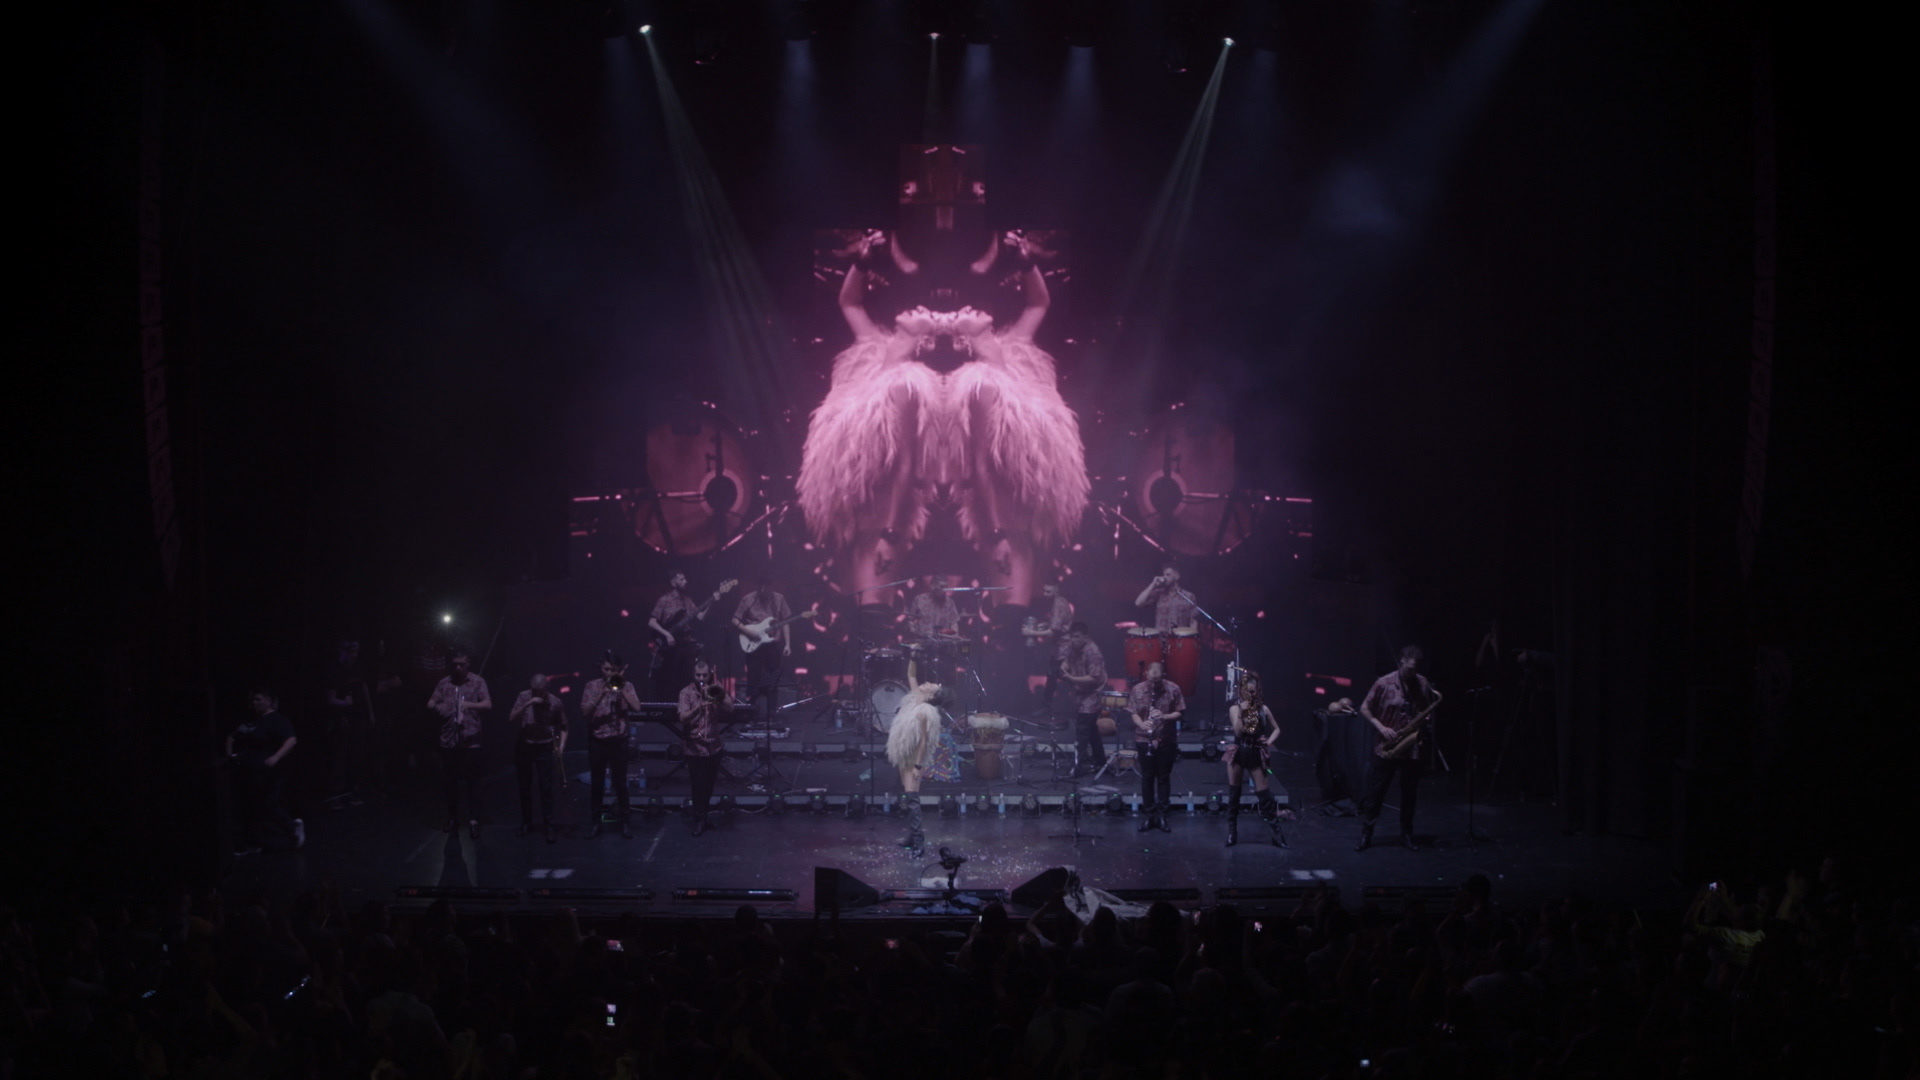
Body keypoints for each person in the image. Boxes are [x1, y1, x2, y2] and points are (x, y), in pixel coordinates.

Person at [795, 232, 1088, 610]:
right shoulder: (878, 358)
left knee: (1022, 610)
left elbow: (1037, 305)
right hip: (863, 503)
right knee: (863, 608)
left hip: (1019, 505)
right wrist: (862, 263)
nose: (928, 309)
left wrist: (1027, 264)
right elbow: (850, 303)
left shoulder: (1003, 362)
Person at [1355, 645, 1442, 852]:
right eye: (1410, 668)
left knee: (1410, 794)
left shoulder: (1422, 683)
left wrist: (1424, 718)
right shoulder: (1383, 683)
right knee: (1376, 793)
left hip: (1411, 747)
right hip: (1386, 746)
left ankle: (1407, 833)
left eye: (1416, 668)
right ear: (1401, 661)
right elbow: (1364, 708)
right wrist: (1382, 728)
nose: (1413, 673)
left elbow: (1425, 709)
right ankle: (1367, 833)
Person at [885, 656, 959, 856]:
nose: (928, 683)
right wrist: (914, 656)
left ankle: (919, 841)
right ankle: (912, 836)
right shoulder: (915, 697)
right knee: (909, 794)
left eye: (933, 685)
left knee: (912, 796)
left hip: (914, 757)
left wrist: (918, 766)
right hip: (904, 751)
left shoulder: (926, 712)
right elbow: (911, 675)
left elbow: (924, 742)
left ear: (933, 695)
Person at [226, 689, 302, 855]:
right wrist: (231, 755)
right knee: (251, 805)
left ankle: (290, 828)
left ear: (269, 700)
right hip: (246, 769)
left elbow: (291, 740)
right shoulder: (252, 721)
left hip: (264, 771)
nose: (254, 703)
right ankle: (252, 842)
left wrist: (276, 757)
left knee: (266, 804)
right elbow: (232, 737)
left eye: (258, 699)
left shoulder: (276, 719)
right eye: (253, 700)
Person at [426, 652, 491, 838]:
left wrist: (469, 705)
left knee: (473, 783)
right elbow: (430, 703)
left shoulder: (477, 681)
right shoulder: (444, 683)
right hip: (449, 741)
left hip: (471, 741)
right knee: (450, 783)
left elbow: (487, 704)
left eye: (461, 664)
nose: (458, 668)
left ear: (468, 664)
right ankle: (453, 818)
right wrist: (440, 708)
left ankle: (474, 819)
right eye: (455, 664)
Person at [1224, 671, 1289, 847]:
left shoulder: (1263, 709)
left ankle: (1276, 834)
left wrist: (1269, 741)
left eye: (1253, 691)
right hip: (1238, 752)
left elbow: (1277, 729)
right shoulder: (1235, 709)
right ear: (1241, 691)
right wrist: (1242, 712)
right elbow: (1238, 732)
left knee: (1264, 795)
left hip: (1255, 752)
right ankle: (1232, 832)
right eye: (1247, 691)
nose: (1250, 694)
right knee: (1234, 794)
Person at [580, 651, 641, 839]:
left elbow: (637, 707)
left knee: (621, 783)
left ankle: (625, 822)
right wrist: (601, 694)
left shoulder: (627, 685)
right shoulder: (592, 686)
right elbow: (585, 712)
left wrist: (620, 688)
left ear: (619, 670)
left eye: (612, 670)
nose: (608, 673)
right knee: (597, 783)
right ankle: (596, 823)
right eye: (606, 669)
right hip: (597, 741)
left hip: (619, 740)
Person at [649, 572, 733, 699]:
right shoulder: (664, 600)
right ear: (673, 583)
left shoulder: (687, 600)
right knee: (670, 678)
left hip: (686, 645)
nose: (685, 581)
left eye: (685, 578)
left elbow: (700, 617)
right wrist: (667, 634)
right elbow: (652, 622)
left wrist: (712, 601)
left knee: (686, 677)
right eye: (681, 579)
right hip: (670, 647)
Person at [1127, 661, 1185, 833]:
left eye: (1157, 679)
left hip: (1166, 739)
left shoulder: (1173, 688)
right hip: (1143, 738)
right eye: (1151, 679)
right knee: (1147, 778)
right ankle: (1149, 815)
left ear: (1162, 675)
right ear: (1146, 674)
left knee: (1163, 778)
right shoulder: (1137, 689)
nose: (1154, 683)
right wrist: (1141, 724)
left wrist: (1164, 716)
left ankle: (1163, 815)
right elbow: (1133, 712)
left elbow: (1180, 712)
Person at [507, 674, 566, 842]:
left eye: (539, 691)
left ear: (546, 688)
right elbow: (511, 718)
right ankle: (527, 822)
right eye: (534, 690)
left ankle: (549, 824)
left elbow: (564, 726)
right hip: (525, 745)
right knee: (524, 785)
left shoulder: (555, 702)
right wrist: (527, 703)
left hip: (544, 746)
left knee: (545, 787)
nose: (536, 694)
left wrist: (561, 747)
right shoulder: (524, 696)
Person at [730, 576, 793, 728]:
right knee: (753, 678)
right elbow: (735, 620)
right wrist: (747, 631)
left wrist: (787, 644)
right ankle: (751, 713)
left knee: (772, 678)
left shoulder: (779, 599)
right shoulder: (748, 599)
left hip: (772, 644)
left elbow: (785, 622)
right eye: (761, 587)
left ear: (771, 586)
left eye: (767, 587)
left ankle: (772, 713)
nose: (764, 590)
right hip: (753, 643)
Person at [678, 660, 728, 837]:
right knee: (698, 785)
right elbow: (682, 717)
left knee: (709, 785)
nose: (701, 678)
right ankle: (699, 819)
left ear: (709, 675)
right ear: (694, 675)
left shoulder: (715, 688)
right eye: (698, 675)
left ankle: (704, 816)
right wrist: (699, 707)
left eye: (704, 675)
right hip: (694, 747)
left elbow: (730, 707)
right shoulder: (686, 692)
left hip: (713, 746)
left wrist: (717, 693)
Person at [1056, 623, 1109, 775]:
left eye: (1077, 637)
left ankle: (1078, 765)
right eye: (1072, 637)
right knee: (1091, 730)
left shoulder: (1093, 652)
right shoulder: (1072, 646)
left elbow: (1094, 678)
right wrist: (1064, 668)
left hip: (1092, 692)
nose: (1074, 640)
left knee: (1082, 729)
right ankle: (1100, 762)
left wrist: (1072, 678)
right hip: (1080, 692)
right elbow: (1066, 661)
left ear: (1085, 637)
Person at [1022, 581, 1074, 714]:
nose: (1045, 594)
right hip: (1059, 648)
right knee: (1053, 677)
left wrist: (1031, 632)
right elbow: (1058, 625)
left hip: (1063, 649)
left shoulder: (1058, 604)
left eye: (1048, 592)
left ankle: (1055, 708)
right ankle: (1049, 707)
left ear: (1057, 590)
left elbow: (1053, 632)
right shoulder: (1060, 602)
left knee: (1060, 678)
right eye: (1044, 591)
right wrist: (1044, 625)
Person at [1132, 565, 1199, 633]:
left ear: (1177, 576)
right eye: (1164, 575)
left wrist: (1193, 636)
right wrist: (1153, 584)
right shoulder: (1159, 593)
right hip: (1160, 636)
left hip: (1180, 637)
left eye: (1168, 575)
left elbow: (1193, 621)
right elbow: (1138, 603)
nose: (1164, 577)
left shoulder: (1189, 596)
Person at [906, 574, 963, 641]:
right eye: (941, 587)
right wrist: (914, 631)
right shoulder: (919, 599)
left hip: (943, 642)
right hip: (923, 641)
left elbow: (954, 622)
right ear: (932, 586)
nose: (944, 590)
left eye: (946, 587)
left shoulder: (950, 602)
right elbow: (910, 620)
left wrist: (954, 635)